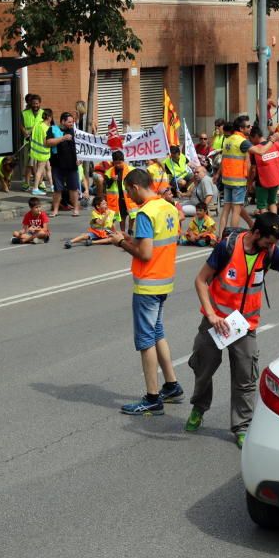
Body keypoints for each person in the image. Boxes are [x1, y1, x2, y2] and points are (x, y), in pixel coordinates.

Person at [184, 213, 279, 447]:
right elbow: (201, 280)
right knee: (203, 369)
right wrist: (211, 314)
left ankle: (241, 426)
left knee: (245, 378)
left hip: (244, 327)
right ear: (256, 234)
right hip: (215, 322)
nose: (272, 247)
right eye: (269, 241)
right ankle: (199, 407)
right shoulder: (227, 248)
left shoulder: (270, 253)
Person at [111, 168, 185, 416]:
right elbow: (152, 244)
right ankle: (171, 385)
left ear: (134, 187)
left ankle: (153, 397)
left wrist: (121, 242)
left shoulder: (145, 213)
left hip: (148, 283)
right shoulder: (168, 208)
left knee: (145, 340)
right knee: (157, 332)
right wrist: (129, 240)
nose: (129, 198)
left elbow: (144, 253)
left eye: (128, 192)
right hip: (165, 280)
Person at [48, 112, 80, 216]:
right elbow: (48, 142)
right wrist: (63, 138)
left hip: (72, 164)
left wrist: (80, 159)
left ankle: (76, 209)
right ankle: (55, 210)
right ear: (62, 121)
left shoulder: (75, 131)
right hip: (57, 164)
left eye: (72, 121)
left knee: (73, 188)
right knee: (57, 188)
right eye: (69, 122)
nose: (72, 124)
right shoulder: (53, 129)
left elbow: (81, 146)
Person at [247, 127, 279, 216]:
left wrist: (250, 183)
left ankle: (267, 227)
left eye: (250, 138)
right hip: (275, 179)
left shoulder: (256, 150)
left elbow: (253, 169)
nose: (250, 141)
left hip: (262, 181)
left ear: (255, 136)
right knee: (272, 202)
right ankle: (275, 223)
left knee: (262, 206)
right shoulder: (276, 145)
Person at [104, 150, 137, 234]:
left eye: (120, 162)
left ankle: (130, 229)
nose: (118, 165)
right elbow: (107, 185)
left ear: (123, 160)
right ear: (113, 162)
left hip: (130, 197)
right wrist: (112, 179)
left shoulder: (131, 170)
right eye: (116, 163)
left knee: (132, 214)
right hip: (118, 198)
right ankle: (122, 232)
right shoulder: (109, 172)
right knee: (122, 216)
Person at [21, 94, 43, 190]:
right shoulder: (25, 113)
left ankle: (41, 182)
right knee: (29, 164)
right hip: (28, 141)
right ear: (30, 103)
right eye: (33, 103)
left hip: (40, 141)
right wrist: (25, 133)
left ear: (40, 103)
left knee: (40, 163)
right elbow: (21, 125)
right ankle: (26, 183)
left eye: (37, 103)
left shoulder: (43, 113)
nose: (35, 105)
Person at [29, 108, 54, 196]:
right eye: (51, 116)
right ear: (49, 117)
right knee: (40, 170)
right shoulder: (46, 128)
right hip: (43, 152)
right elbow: (46, 143)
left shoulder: (38, 124)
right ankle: (35, 188)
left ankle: (52, 186)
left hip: (37, 151)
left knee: (48, 168)